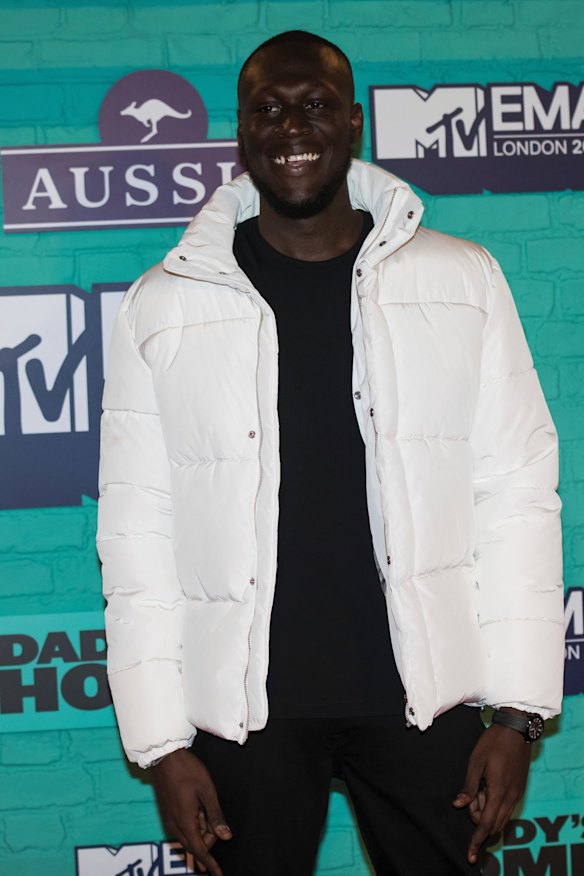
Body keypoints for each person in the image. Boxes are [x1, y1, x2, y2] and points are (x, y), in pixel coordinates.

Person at [97, 30, 564, 876]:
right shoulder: (163, 305)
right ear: (242, 133)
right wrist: (162, 744)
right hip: (246, 714)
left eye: (313, 105)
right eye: (267, 110)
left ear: (353, 122)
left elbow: (516, 494)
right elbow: (137, 529)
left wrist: (517, 713)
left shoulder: (462, 280)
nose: (291, 128)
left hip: (426, 699)